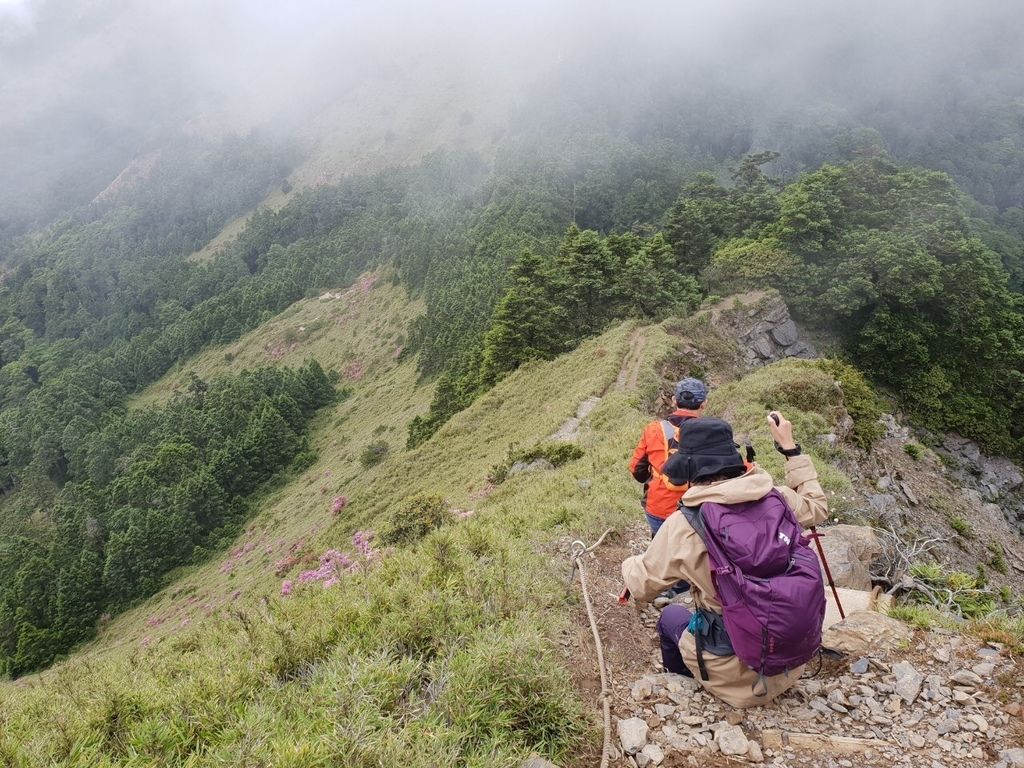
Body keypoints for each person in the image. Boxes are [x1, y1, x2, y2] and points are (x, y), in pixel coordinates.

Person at [620, 411, 828, 708]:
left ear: (690, 472)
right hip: (792, 660)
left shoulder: (685, 525)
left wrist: (628, 563)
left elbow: (641, 586)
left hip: (735, 678)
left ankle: (684, 686)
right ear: (734, 460)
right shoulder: (779, 499)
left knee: (671, 617)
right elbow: (817, 508)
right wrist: (790, 449)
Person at [629, 377, 708, 537]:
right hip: (699, 509)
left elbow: (637, 470)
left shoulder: (654, 429)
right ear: (704, 403)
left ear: (674, 400)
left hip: (660, 508)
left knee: (660, 552)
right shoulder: (712, 432)